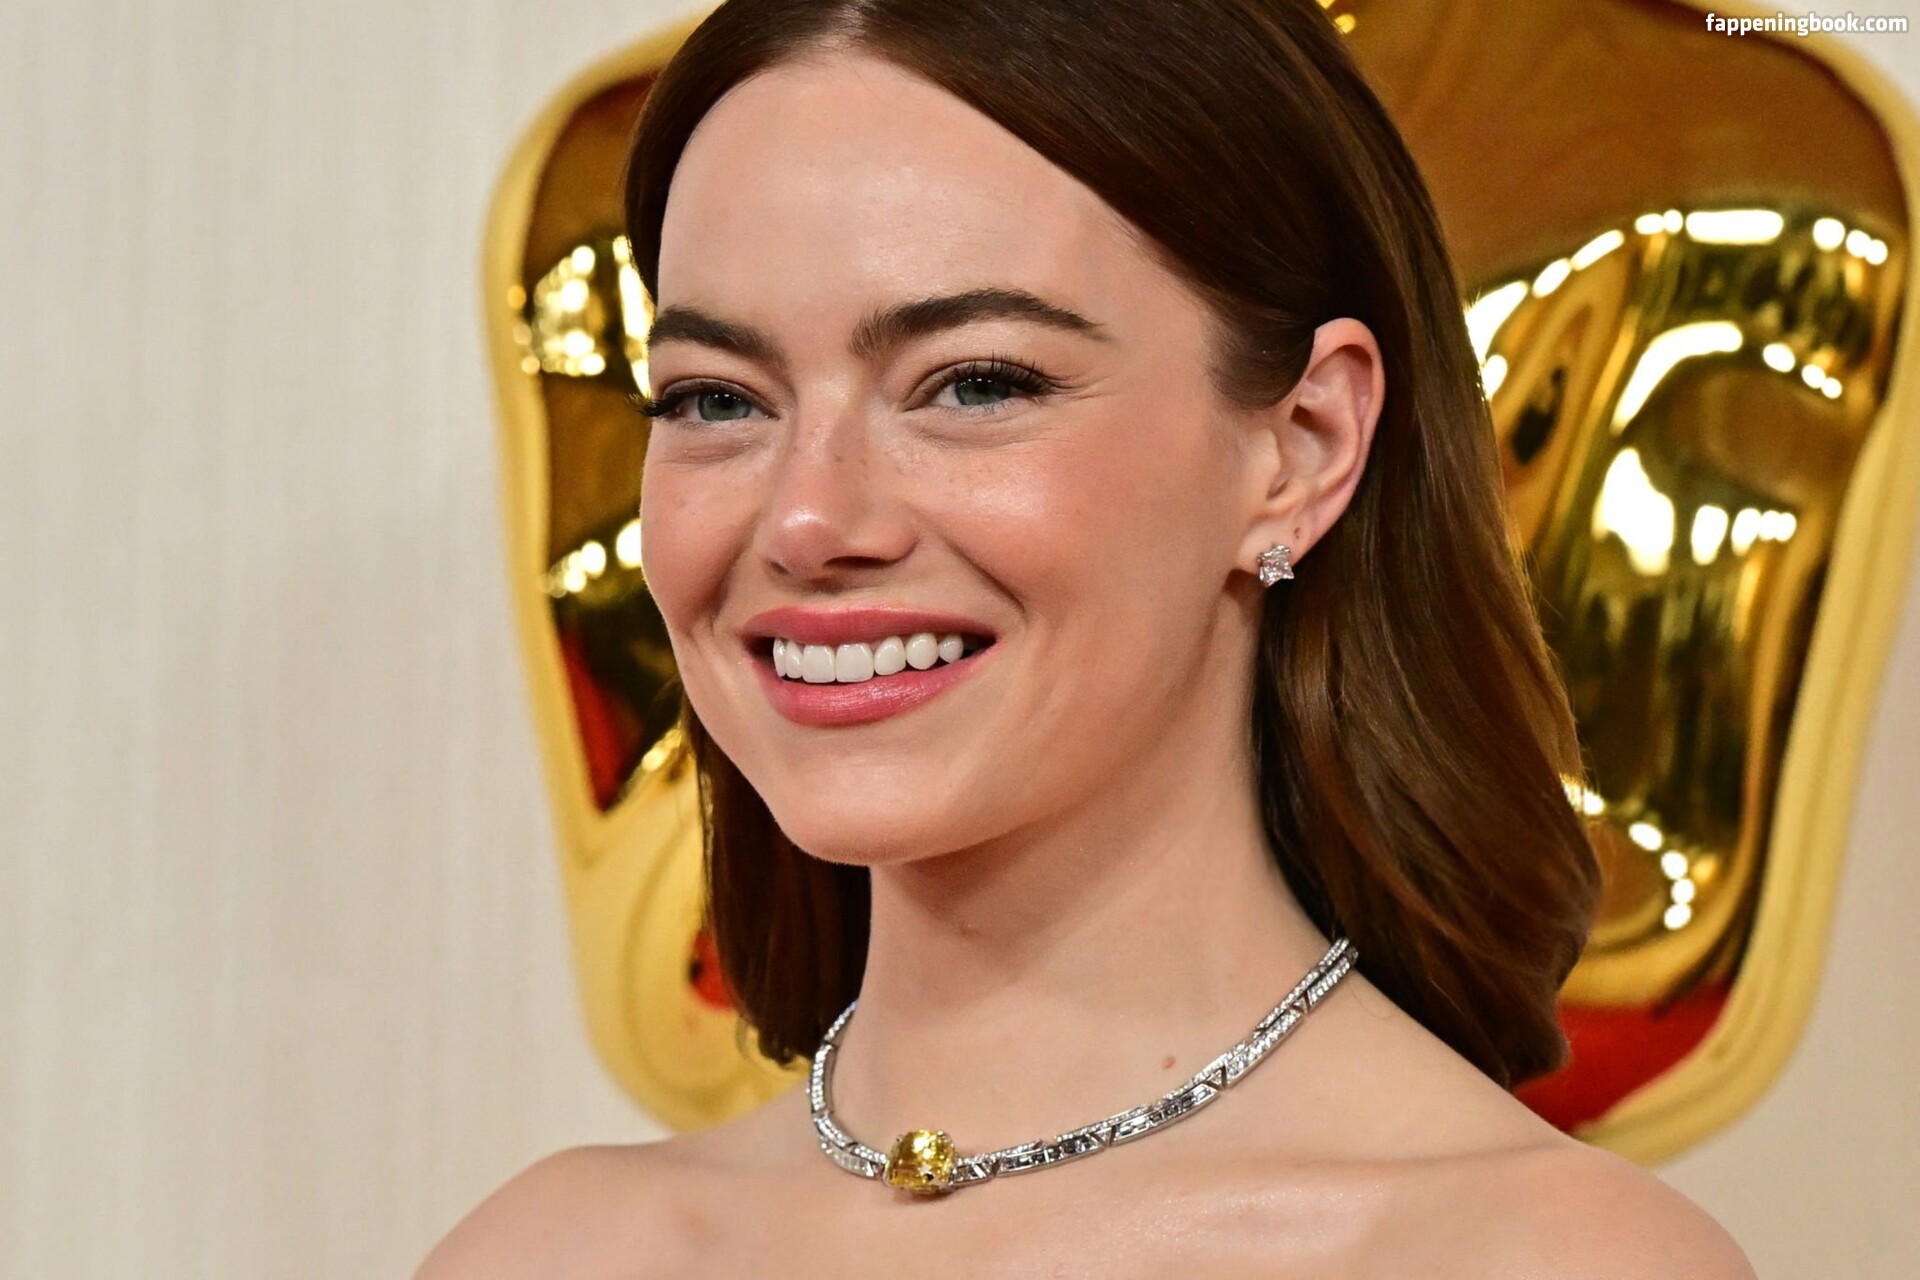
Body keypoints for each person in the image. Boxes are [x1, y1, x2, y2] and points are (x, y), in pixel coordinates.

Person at [420, 0, 1757, 1273]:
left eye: (975, 384)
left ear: (1301, 447)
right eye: (717, 400)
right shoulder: (551, 1256)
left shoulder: (1540, 1260)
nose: (808, 519)